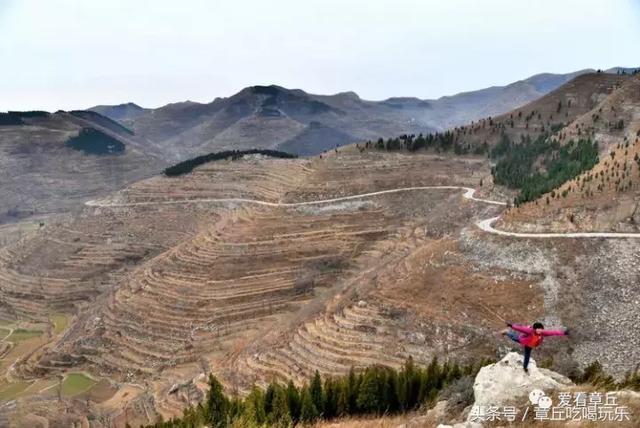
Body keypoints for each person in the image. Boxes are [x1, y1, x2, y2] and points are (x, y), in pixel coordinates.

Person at [501, 322, 569, 373]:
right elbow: (520, 329)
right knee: (513, 337)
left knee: (527, 356)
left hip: (530, 346)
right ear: (535, 329)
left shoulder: (543, 333)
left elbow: (553, 332)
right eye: (538, 329)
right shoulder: (530, 331)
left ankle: (525, 367)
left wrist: (564, 333)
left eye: (540, 329)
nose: (539, 330)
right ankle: (506, 332)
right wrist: (511, 326)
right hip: (522, 340)